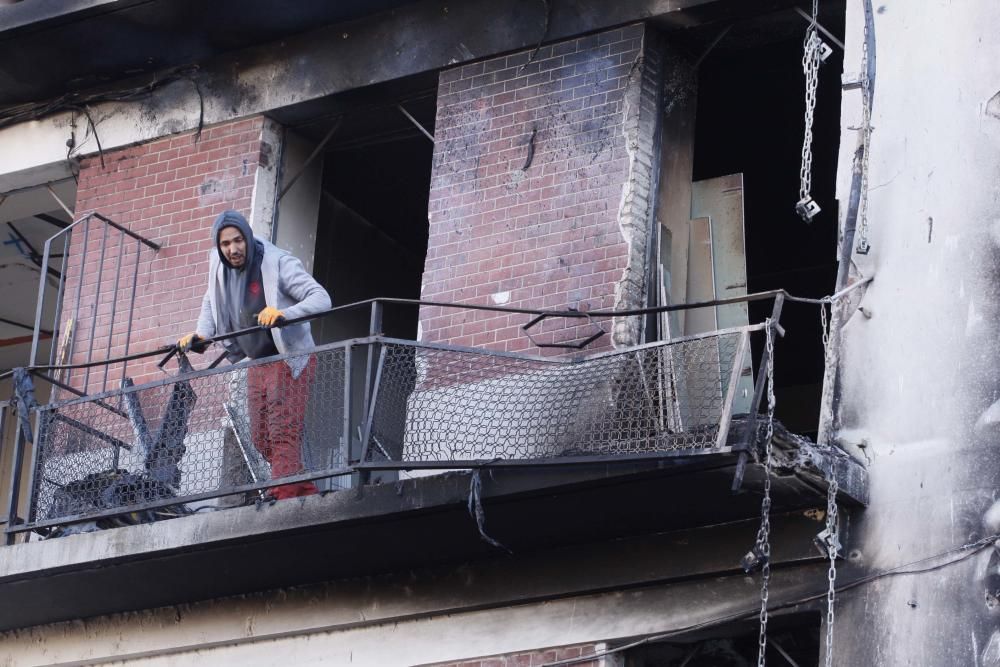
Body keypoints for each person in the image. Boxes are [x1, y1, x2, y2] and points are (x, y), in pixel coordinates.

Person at [178, 210, 331, 500]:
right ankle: (304, 490)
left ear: (247, 238)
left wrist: (284, 314)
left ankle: (283, 494)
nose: (233, 249)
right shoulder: (218, 265)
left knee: (282, 430)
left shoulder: (277, 262)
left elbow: (322, 299)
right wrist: (201, 334)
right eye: (225, 244)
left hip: (287, 358)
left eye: (238, 241)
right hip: (256, 362)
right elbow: (211, 298)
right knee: (261, 437)